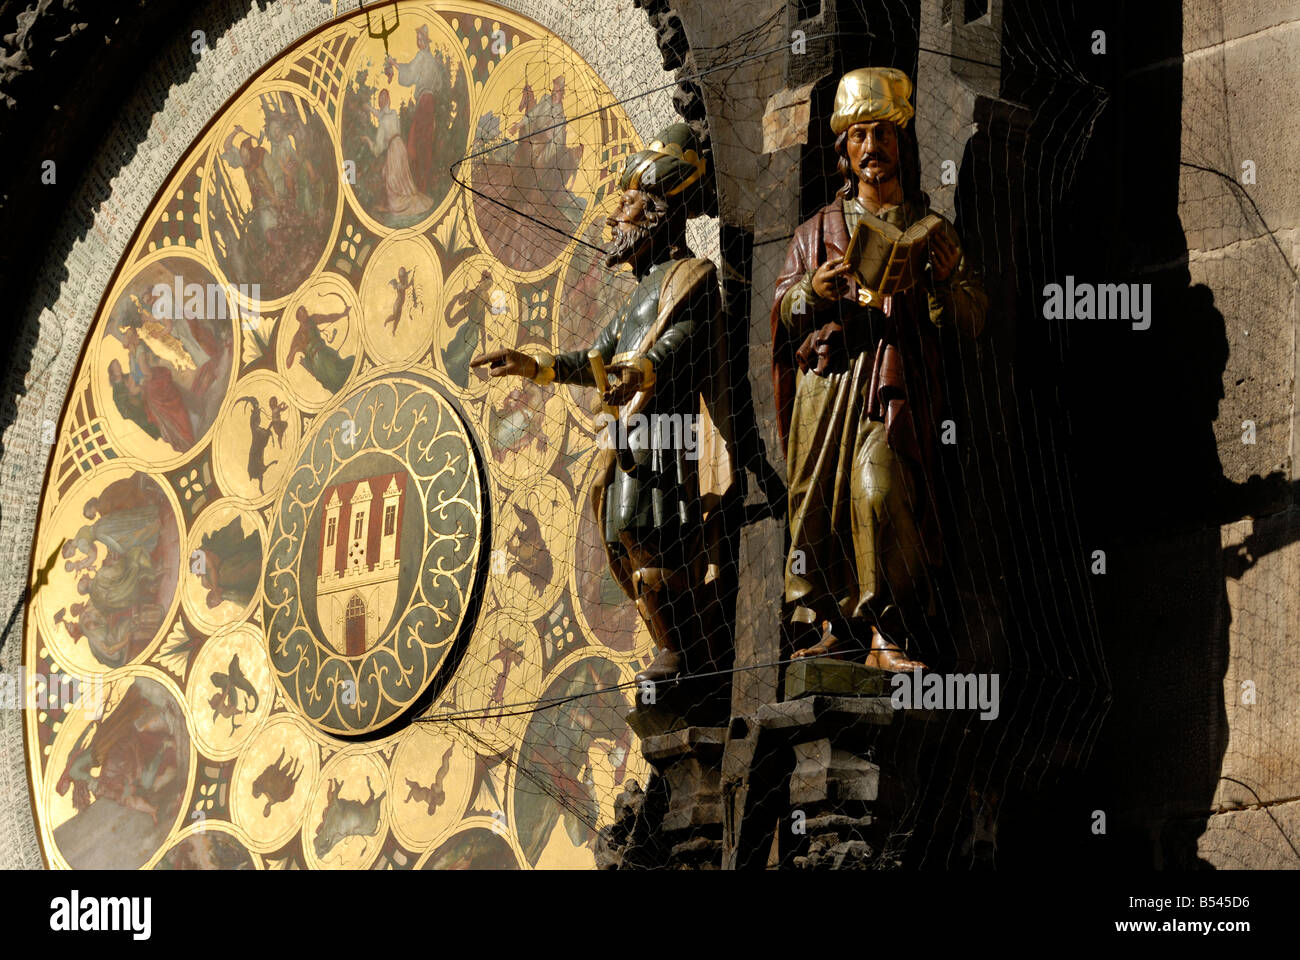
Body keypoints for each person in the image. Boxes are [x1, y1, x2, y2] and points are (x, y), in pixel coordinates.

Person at [471, 124, 738, 685]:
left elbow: (682, 340)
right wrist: (535, 365)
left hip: (666, 433)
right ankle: (676, 645)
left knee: (651, 526)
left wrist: (642, 370)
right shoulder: (637, 295)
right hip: (630, 438)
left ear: (660, 212)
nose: (615, 217)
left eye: (629, 203)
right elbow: (593, 355)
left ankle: (683, 649)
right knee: (621, 528)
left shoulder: (689, 277)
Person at [771, 68, 987, 670]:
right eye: (860, 136)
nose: (872, 148)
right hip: (828, 392)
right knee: (822, 510)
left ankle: (889, 631)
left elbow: (972, 322)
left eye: (883, 135)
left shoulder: (933, 230)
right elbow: (784, 309)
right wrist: (812, 290)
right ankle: (838, 624)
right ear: (844, 149)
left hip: (896, 390)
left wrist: (944, 282)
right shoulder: (816, 231)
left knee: (878, 489)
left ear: (901, 145)